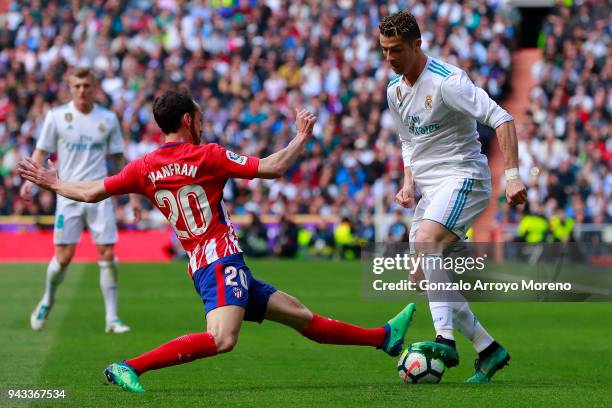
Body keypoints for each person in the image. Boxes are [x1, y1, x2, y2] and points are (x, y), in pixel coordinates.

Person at [18, 89, 436, 393]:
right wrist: (301, 137)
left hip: (206, 262)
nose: (202, 124)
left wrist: (53, 182)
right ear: (187, 120)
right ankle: (128, 366)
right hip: (221, 262)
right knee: (222, 339)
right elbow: (271, 167)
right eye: (198, 118)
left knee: (300, 316)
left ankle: (383, 338)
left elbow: (90, 192)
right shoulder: (208, 155)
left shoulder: (143, 167)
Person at [379, 11, 527, 383]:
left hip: (465, 177)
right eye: (384, 50)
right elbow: (408, 142)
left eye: (396, 50)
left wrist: (511, 177)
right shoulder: (394, 90)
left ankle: (444, 339)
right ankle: (488, 348)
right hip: (431, 190)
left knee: (427, 244)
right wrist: (408, 182)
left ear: (417, 44)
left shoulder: (448, 82)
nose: (389, 58)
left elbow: (503, 118)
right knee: (424, 278)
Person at [20, 67, 139, 334]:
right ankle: (47, 300)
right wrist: (31, 180)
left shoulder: (107, 119)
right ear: (70, 87)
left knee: (107, 253)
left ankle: (112, 318)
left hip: (99, 193)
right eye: (77, 86)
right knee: (63, 257)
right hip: (67, 194)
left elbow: (120, 161)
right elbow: (41, 151)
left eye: (87, 85)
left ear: (94, 87)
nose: (82, 90)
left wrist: (132, 197)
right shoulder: (57, 117)